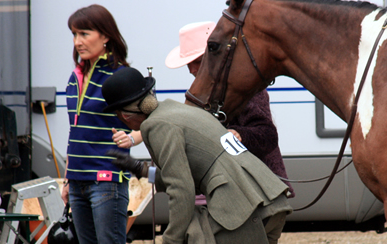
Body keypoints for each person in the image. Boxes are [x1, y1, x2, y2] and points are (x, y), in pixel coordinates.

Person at [102, 67, 293, 244]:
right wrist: (142, 170)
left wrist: (171, 240)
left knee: (193, 232)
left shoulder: (156, 125)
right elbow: (184, 176)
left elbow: (181, 189)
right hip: (269, 200)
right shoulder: (177, 110)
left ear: (124, 115)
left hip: (243, 209)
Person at [165, 21, 294, 200]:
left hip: (258, 192)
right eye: (188, 63)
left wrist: (238, 134)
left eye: (197, 62)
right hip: (227, 192)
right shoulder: (204, 90)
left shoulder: (246, 85)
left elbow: (267, 135)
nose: (191, 70)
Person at [62, 4, 131, 243]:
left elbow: (153, 122)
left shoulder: (120, 76)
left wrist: (132, 138)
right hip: (77, 181)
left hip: (107, 180)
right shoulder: (74, 78)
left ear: (105, 35)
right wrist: (67, 178)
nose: (77, 41)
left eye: (84, 33)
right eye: (74, 34)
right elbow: (75, 132)